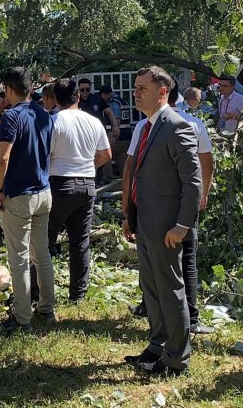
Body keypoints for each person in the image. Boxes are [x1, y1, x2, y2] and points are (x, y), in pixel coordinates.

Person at [119, 66, 201, 377]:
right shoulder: (145, 127)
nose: (136, 92)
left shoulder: (176, 125)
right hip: (145, 222)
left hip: (168, 227)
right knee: (151, 288)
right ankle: (158, 345)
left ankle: (177, 358)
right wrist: (130, 215)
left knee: (170, 290)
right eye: (135, 87)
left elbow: (193, 182)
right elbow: (138, 175)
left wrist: (183, 224)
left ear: (162, 92)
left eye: (142, 88)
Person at [0, 67, 55, 332]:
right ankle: (47, 309)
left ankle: (21, 318)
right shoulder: (44, 114)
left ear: (8, 89)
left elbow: (2, 158)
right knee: (42, 254)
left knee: (18, 258)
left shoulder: (11, 116)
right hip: (44, 191)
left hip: (19, 195)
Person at [46, 79, 111, 303]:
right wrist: (87, 166)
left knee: (45, 241)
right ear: (77, 96)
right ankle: (78, 295)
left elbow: (45, 155)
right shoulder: (93, 121)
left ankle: (39, 294)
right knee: (80, 242)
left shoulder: (53, 121)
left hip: (60, 183)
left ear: (55, 99)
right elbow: (106, 155)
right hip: (87, 184)